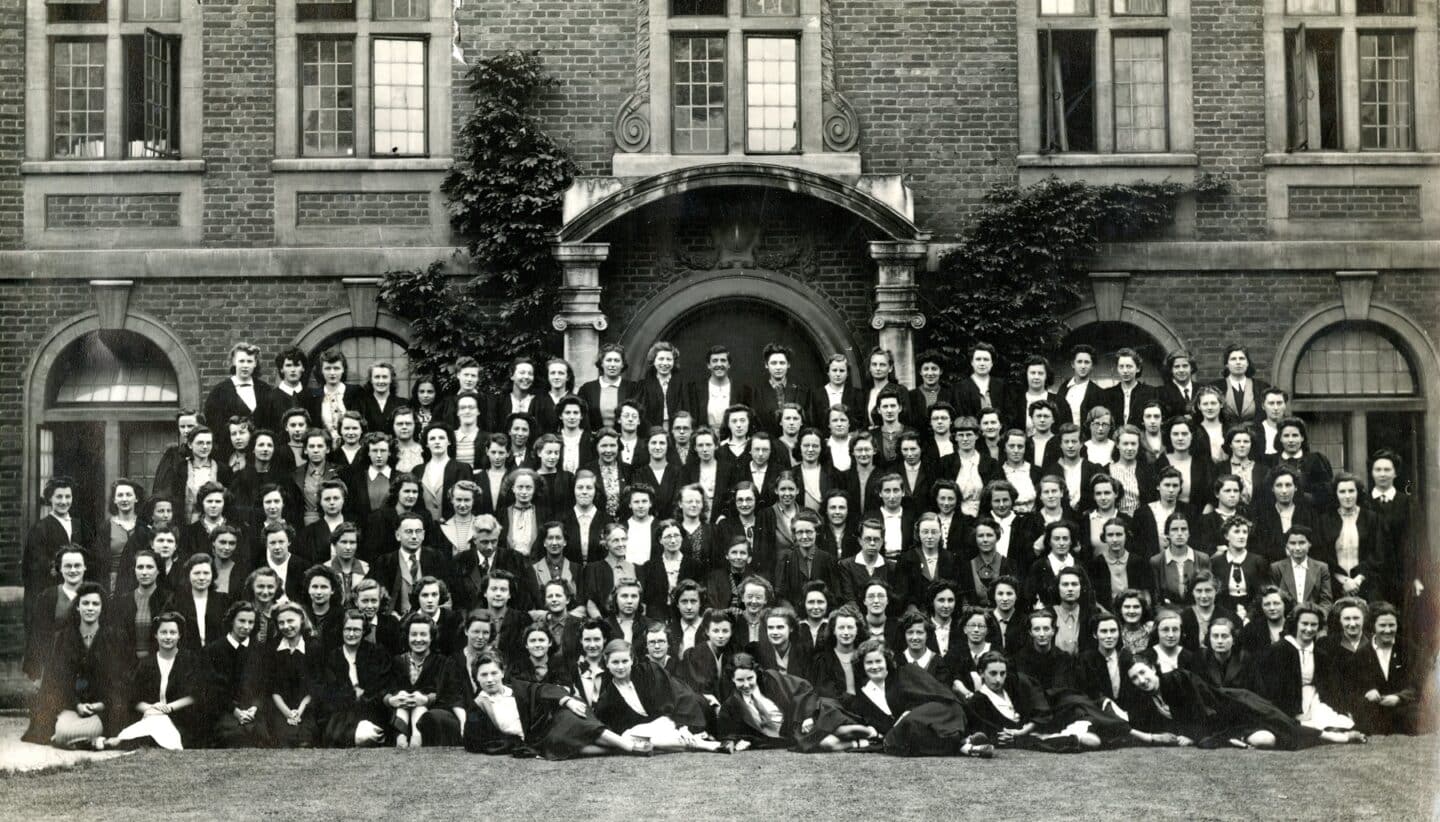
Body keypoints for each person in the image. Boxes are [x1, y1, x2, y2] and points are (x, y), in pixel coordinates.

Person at [1121, 651, 1363, 749]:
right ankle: (1329, 734)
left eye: (1143, 672)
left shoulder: (1177, 679)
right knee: (1267, 740)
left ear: (1153, 668)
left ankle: (1337, 737)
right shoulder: (1148, 701)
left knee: (1284, 725)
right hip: (1228, 727)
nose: (1141, 680)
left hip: (1237, 706)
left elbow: (1199, 711)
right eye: (1135, 678)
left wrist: (1191, 736)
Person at [463, 647, 648, 758]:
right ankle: (624, 747)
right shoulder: (479, 705)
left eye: (494, 673)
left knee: (573, 715)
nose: (490, 679)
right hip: (534, 740)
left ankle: (627, 745)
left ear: (502, 673)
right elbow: (474, 741)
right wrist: (512, 744)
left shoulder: (516, 688)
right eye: (484, 675)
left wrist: (566, 700)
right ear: (476, 678)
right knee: (561, 741)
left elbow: (542, 689)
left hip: (547, 722)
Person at [22, 582, 128, 748]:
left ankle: (82, 739)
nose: (90, 608)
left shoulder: (114, 638)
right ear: (77, 607)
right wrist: (76, 704)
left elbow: (118, 680)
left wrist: (100, 704)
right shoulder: (64, 638)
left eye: (95, 604)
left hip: (103, 706)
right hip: (71, 704)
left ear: (102, 608)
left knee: (67, 734)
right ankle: (91, 741)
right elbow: (57, 679)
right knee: (65, 731)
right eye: (85, 603)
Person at [595, 639, 725, 752]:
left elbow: (678, 696)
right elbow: (609, 730)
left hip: (673, 719)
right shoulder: (607, 698)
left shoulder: (648, 672)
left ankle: (702, 745)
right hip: (651, 732)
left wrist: (682, 726)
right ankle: (702, 744)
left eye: (625, 661)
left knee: (655, 729)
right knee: (627, 737)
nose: (621, 667)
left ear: (632, 660)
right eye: (615, 662)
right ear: (606, 663)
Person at [102, 611, 205, 750]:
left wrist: (168, 708)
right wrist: (151, 708)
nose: (168, 637)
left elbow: (194, 696)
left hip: (179, 718)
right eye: (163, 632)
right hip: (150, 715)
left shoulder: (189, 660)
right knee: (153, 724)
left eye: (173, 632)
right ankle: (124, 741)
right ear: (156, 635)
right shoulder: (146, 663)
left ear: (179, 635)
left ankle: (121, 740)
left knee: (157, 725)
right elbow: (134, 699)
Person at [317, 609, 392, 748]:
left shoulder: (376, 653)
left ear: (364, 631)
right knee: (340, 734)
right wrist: (352, 694)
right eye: (347, 629)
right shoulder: (333, 657)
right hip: (343, 712)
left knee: (367, 733)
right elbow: (330, 690)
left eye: (356, 630)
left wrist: (365, 695)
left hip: (370, 710)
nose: (351, 634)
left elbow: (381, 685)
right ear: (342, 630)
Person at [1346, 602, 1419, 735]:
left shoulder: (1409, 649)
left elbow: (1418, 683)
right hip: (1375, 708)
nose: (1387, 630)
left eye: (1392, 625)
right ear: (1373, 627)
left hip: (1402, 707)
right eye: (1382, 625)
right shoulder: (1361, 654)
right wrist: (1368, 691)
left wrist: (1399, 698)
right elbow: (1354, 686)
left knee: (1416, 716)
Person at [1320, 472, 1391, 603]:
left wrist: (1358, 580)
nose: (1347, 496)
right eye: (1342, 491)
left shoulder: (1372, 518)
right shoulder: (1325, 520)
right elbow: (1323, 555)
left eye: (1351, 491)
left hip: (1366, 584)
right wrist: (1344, 581)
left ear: (1358, 492)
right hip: (1335, 585)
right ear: (1336, 494)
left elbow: (1378, 554)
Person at [23, 544, 89, 680]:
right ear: (60, 568)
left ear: (85, 567)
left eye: (77, 565)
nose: (73, 570)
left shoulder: (95, 594)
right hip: (56, 667)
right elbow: (37, 635)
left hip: (88, 666)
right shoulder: (48, 597)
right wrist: (37, 672)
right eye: (67, 566)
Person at [263, 601, 323, 748]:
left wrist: (299, 712)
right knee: (284, 739)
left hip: (307, 707)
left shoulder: (314, 647)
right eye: (281, 622)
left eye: (290, 621)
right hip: (279, 708)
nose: (286, 626)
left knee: (305, 739)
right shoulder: (272, 648)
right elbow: (272, 688)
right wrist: (288, 713)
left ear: (301, 619)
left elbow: (315, 686)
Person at [385, 612, 447, 748]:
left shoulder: (441, 662)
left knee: (420, 709)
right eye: (413, 634)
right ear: (407, 637)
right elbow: (387, 689)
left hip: (426, 715)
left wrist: (426, 699)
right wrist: (395, 699)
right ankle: (400, 739)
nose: (418, 639)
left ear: (431, 637)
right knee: (401, 709)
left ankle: (416, 738)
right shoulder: (398, 661)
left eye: (423, 634)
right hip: (401, 712)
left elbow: (445, 692)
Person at [1268, 525, 1333, 608]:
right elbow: (1274, 599)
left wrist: (1318, 618)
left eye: (1302, 543)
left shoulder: (1321, 568)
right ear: (1287, 545)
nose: (1297, 548)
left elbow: (1326, 601)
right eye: (1292, 543)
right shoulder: (1276, 568)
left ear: (1309, 544)